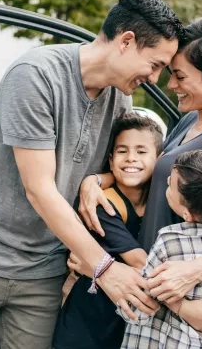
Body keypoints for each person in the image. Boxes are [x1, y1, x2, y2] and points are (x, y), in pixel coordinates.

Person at [0, 0, 185, 349]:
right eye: (154, 64)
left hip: (43, 268)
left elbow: (114, 165)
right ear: (126, 42)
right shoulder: (35, 76)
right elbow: (40, 189)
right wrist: (104, 268)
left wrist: (96, 180)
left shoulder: (119, 97)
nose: (154, 78)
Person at [75, 15, 202, 332]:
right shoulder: (190, 120)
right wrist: (95, 181)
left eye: (180, 77)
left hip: (178, 296)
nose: (171, 85)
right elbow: (148, 174)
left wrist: (191, 273)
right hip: (143, 283)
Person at [120, 149, 202, 348]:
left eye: (171, 185)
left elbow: (141, 306)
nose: (167, 183)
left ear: (187, 213)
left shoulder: (170, 241)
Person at [52, 113, 163, 349]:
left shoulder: (162, 200)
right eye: (123, 151)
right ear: (111, 161)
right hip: (87, 324)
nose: (131, 159)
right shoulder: (102, 204)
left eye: (142, 152)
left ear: (159, 159)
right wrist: (187, 306)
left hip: (127, 326)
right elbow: (140, 262)